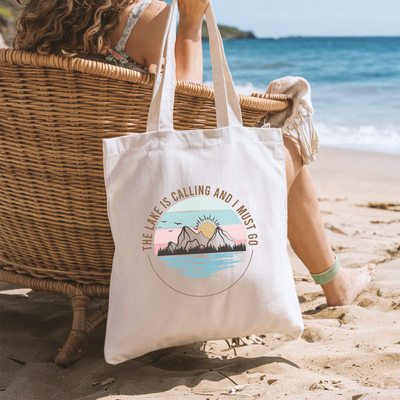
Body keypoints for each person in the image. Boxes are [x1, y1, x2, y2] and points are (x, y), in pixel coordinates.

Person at [13, 0, 376, 306]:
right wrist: (188, 24)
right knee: (283, 129)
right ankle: (335, 283)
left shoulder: (36, 26)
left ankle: (337, 281)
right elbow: (188, 122)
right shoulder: (144, 19)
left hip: (54, 238)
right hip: (147, 232)